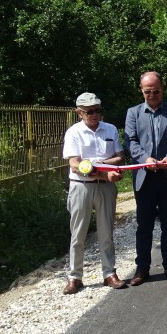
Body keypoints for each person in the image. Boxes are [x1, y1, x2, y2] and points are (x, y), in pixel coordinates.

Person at [124, 71, 167, 286]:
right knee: (144, 226)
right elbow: (130, 141)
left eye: (156, 91)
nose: (152, 95)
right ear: (141, 90)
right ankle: (142, 268)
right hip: (144, 176)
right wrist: (145, 158)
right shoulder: (133, 113)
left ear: (163, 89)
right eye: (147, 91)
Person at [62, 93, 126, 294]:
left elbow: (120, 157)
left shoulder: (110, 129)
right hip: (81, 186)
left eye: (97, 110)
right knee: (78, 233)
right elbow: (74, 163)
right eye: (90, 112)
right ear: (79, 112)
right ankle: (75, 276)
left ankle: (109, 273)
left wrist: (100, 165)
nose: (94, 115)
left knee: (106, 231)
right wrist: (101, 171)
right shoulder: (74, 132)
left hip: (106, 187)